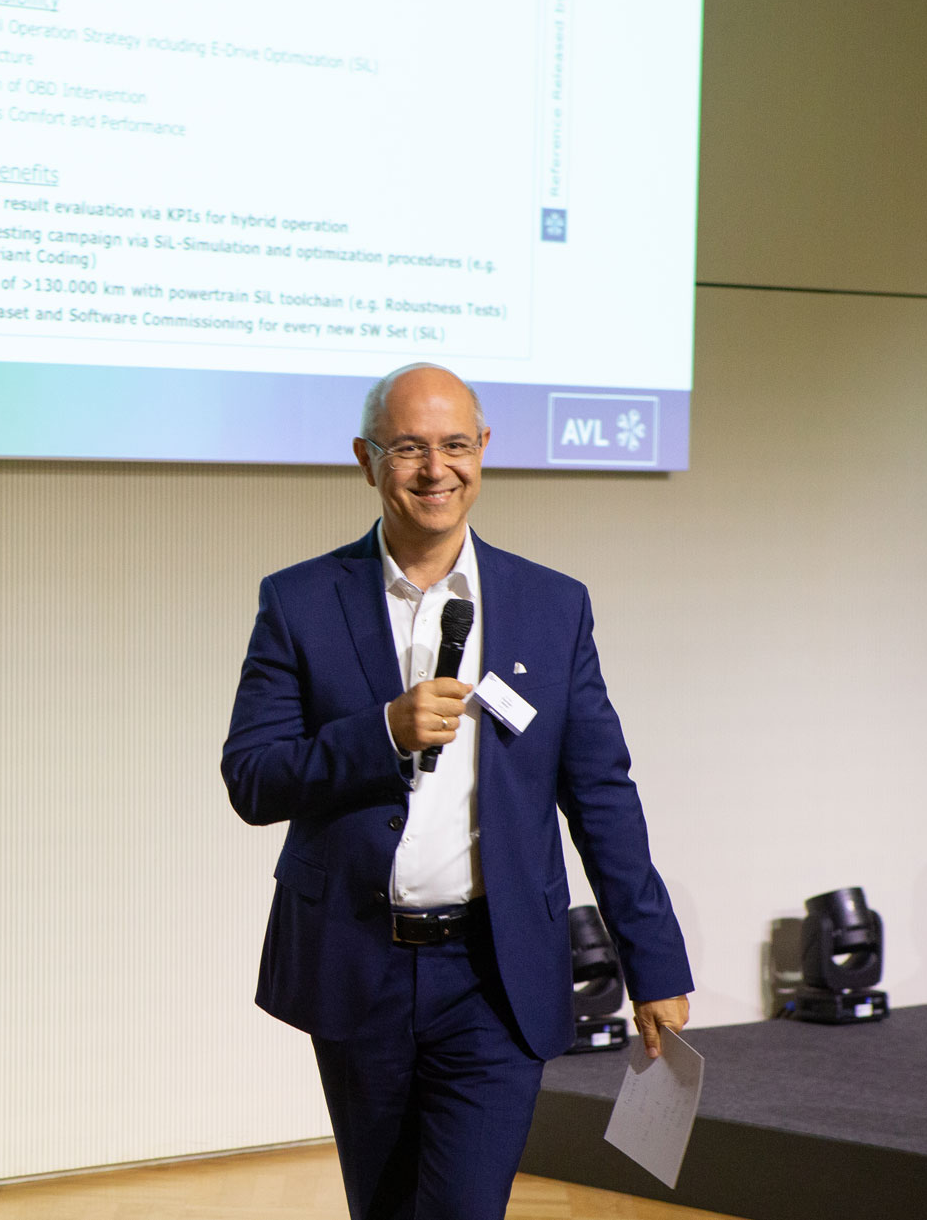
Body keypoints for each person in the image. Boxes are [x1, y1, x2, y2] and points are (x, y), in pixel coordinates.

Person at [220, 363, 693, 1220]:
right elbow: (252, 777)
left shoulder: (551, 606)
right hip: (357, 959)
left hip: (495, 971)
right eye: (408, 447)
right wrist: (381, 732)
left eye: (454, 445)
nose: (435, 468)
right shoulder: (299, 601)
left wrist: (651, 960)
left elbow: (601, 794)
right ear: (366, 459)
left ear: (484, 450)